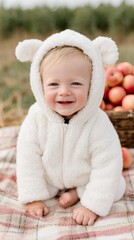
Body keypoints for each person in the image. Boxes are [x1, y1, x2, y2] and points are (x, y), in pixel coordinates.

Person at [15, 29, 126, 226]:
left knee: (116, 185)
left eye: (75, 83)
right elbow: (27, 157)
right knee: (30, 175)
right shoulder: (36, 117)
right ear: (39, 85)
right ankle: (58, 192)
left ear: (92, 85)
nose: (64, 92)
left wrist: (92, 205)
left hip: (85, 177)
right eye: (54, 84)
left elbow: (107, 163)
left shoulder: (98, 122)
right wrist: (33, 197)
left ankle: (79, 193)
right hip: (49, 178)